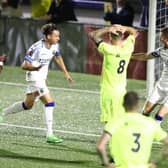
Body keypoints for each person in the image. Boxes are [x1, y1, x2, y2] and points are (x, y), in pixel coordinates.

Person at [1, 23, 74, 143]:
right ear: (48, 36)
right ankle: (49, 134)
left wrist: (66, 72)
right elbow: (24, 65)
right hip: (34, 77)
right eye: (56, 36)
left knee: (28, 105)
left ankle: (2, 113)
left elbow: (58, 57)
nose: (58, 38)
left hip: (41, 78)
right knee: (49, 102)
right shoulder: (36, 48)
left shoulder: (54, 46)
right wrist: (34, 68)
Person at [97, 91, 168, 168]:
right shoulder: (150, 123)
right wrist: (155, 162)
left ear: (123, 104)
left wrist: (107, 164)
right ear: (138, 105)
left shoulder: (116, 121)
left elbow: (100, 146)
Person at [90, 24, 137, 124]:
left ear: (110, 37)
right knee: (120, 119)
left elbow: (93, 35)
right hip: (121, 91)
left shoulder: (107, 49)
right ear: (123, 36)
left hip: (108, 90)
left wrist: (107, 29)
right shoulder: (128, 48)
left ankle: (113, 139)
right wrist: (125, 28)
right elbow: (134, 32)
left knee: (109, 122)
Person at [132, 27, 168, 124]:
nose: (161, 39)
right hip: (161, 86)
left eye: (163, 37)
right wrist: (129, 56)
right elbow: (145, 56)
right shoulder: (161, 51)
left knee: (159, 114)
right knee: (146, 111)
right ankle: (141, 133)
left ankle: (155, 136)